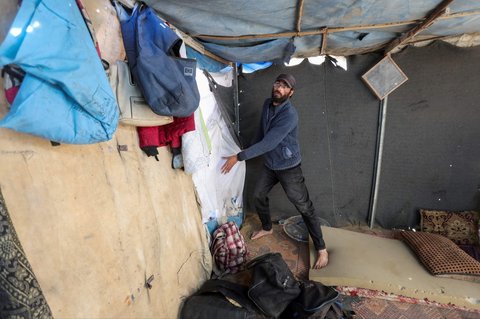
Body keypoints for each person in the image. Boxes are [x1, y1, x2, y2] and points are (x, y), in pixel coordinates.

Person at [221, 74, 329, 269]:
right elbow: (261, 133)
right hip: (271, 164)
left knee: (303, 206)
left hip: (288, 167)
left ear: (291, 93)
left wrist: (239, 157)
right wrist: (244, 149)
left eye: (285, 86)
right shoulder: (267, 104)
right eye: (278, 83)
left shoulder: (290, 115)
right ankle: (267, 227)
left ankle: (321, 248)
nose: (279, 87)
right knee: (258, 195)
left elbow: (270, 142)